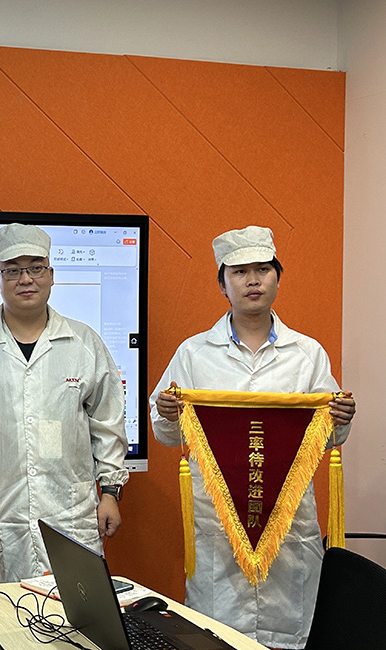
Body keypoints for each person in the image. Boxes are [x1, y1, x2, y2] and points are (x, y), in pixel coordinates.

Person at [150, 226, 355, 650]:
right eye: (240, 272)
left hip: (287, 522)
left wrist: (342, 417)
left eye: (263, 269)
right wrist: (167, 413)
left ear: (278, 277)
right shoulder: (194, 354)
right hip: (219, 525)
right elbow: (168, 435)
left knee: (291, 638)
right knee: (217, 638)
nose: (253, 280)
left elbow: (327, 437)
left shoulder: (308, 354)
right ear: (222, 284)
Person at [0, 223, 129, 583]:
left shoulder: (84, 344)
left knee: (75, 609)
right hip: (1, 519)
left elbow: (108, 422)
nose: (26, 279)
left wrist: (111, 492)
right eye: (13, 270)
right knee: (2, 611)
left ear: (51, 276)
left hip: (70, 515)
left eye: (36, 267)